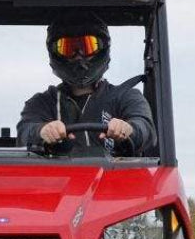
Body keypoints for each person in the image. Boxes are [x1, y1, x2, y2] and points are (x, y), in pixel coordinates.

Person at [16, 13, 156, 156]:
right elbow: (25, 132)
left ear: (102, 48)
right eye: (67, 48)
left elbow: (145, 129)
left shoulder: (126, 95)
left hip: (117, 176)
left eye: (88, 46)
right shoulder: (42, 103)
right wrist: (41, 131)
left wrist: (128, 129)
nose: (78, 56)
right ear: (55, 53)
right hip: (57, 176)